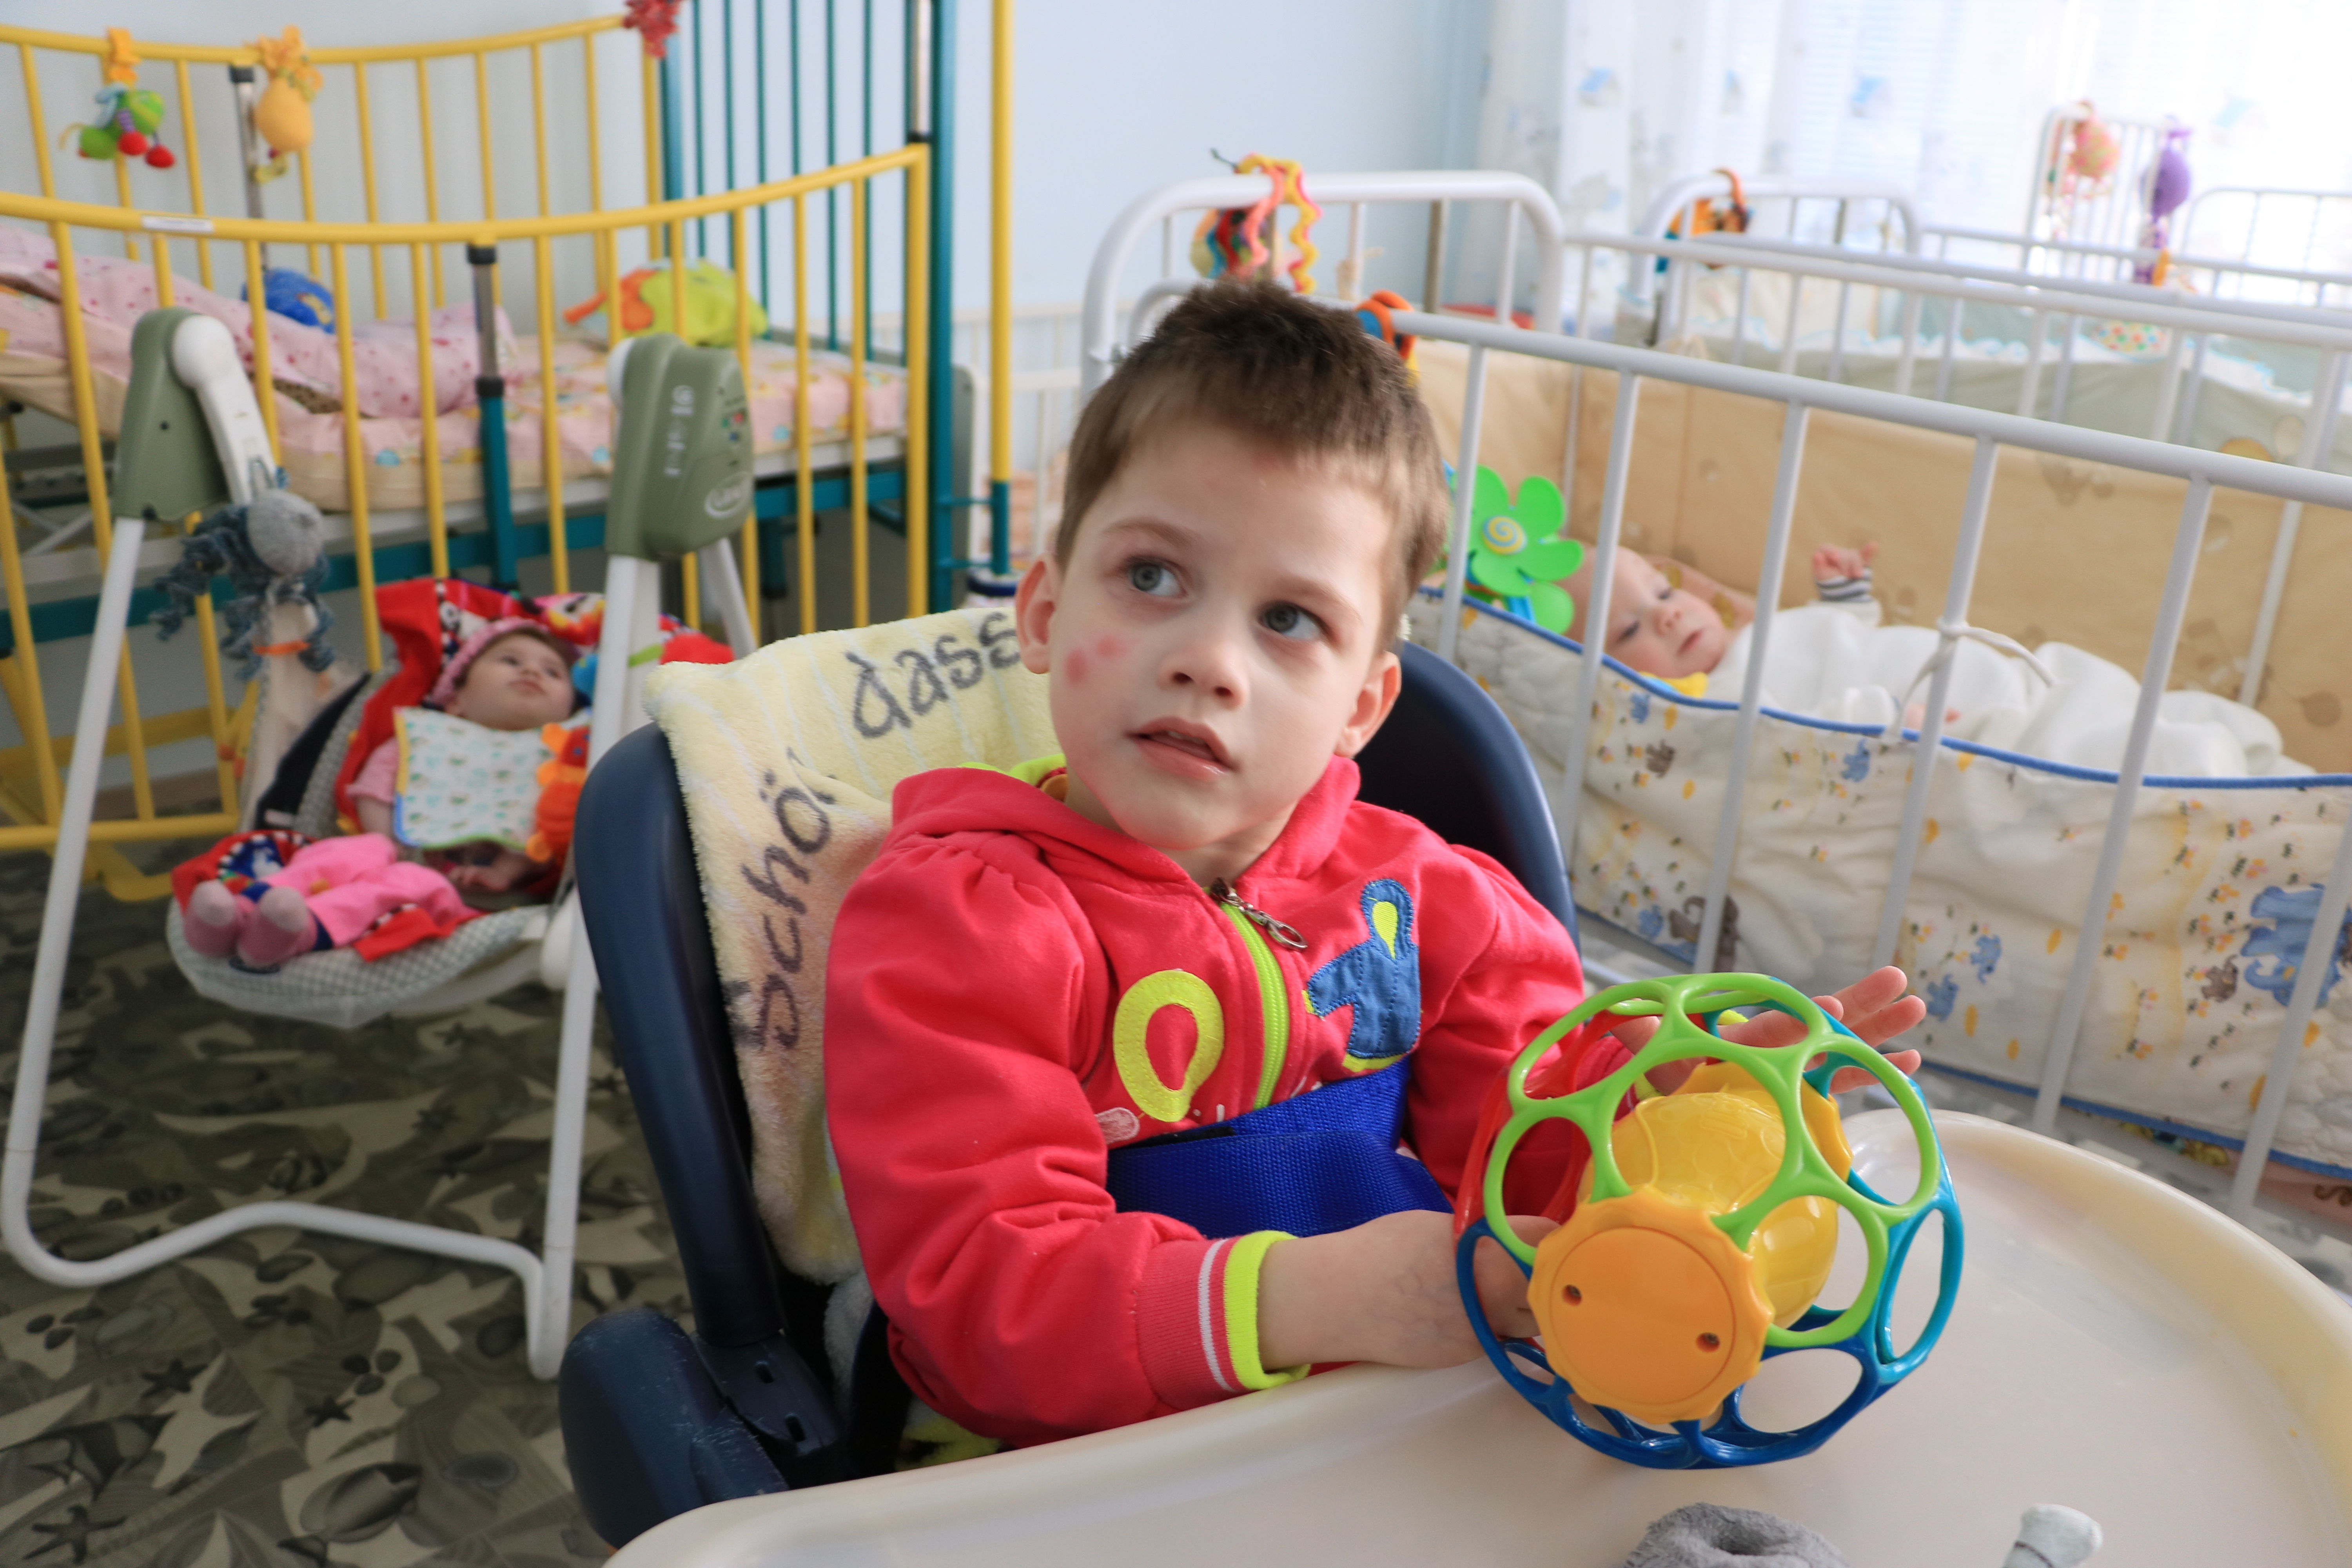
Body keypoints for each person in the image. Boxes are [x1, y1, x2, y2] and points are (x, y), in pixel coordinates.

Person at [822, 283, 1925, 1450]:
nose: (1208, 659)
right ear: (1045, 611)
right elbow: (982, 1303)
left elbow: (1530, 1167)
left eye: (1288, 619)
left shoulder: (1437, 906)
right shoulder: (959, 921)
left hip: (1380, 1434)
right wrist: (1319, 1298)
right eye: (1151, 576)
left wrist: (1674, 1103)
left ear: (1362, 704)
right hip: (1071, 1464)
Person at [1566, 542, 2299, 776]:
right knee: (2084, 752)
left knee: (2101, 696)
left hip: (2002, 667)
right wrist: (1887, 718)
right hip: (1953, 718)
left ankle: (2247, 756)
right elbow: (1800, 735)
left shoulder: (1768, 629)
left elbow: (1845, 636)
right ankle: (2205, 770)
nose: (1667, 613)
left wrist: (1844, 594)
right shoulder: (1712, 704)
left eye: (1663, 591)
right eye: (1629, 631)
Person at [182, 622, 581, 969]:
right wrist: (386, 841)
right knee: (346, 852)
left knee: (403, 882)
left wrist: (505, 873)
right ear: (456, 699)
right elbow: (375, 786)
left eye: (553, 671)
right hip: (394, 850)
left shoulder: (563, 761)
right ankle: (247, 908)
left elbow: (550, 828)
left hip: (465, 896)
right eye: (510, 661)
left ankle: (300, 930)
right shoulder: (425, 739)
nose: (532, 671)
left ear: (568, 710)